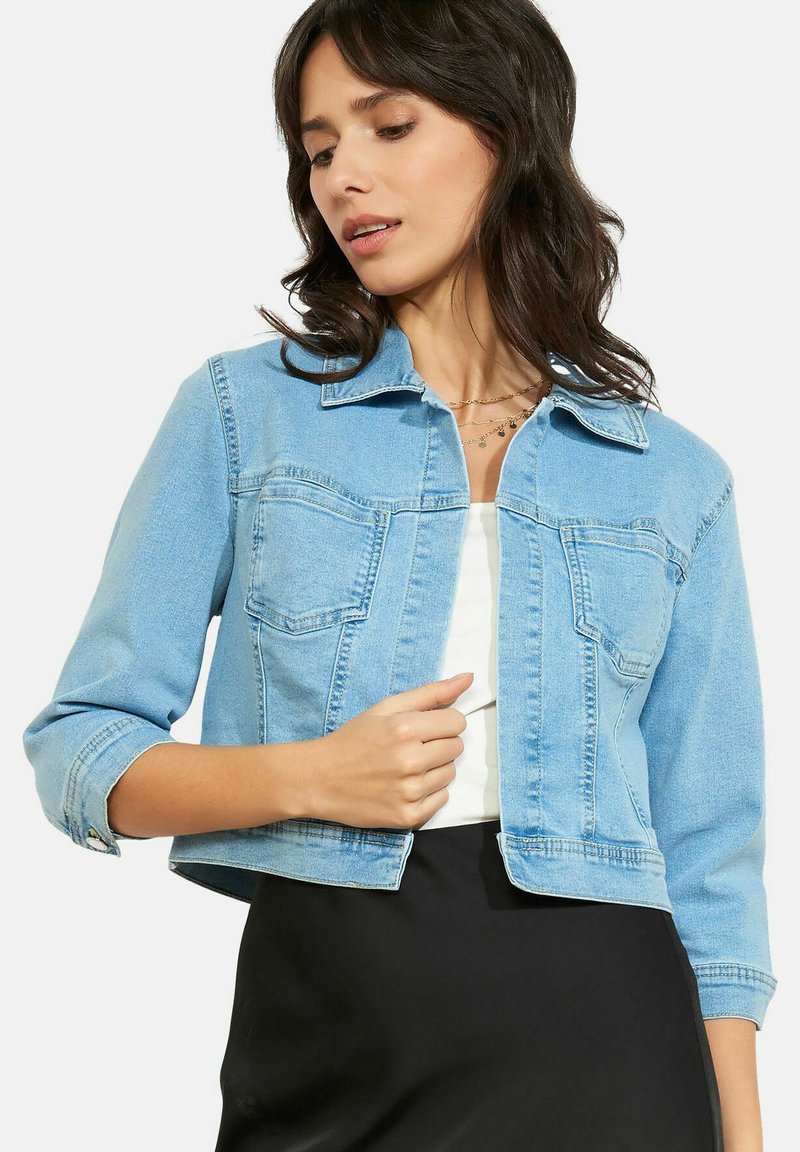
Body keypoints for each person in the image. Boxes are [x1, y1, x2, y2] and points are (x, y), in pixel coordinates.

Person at [22, 1, 778, 1149]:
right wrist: (310, 775)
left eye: (388, 127)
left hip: (607, 1038)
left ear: (505, 134)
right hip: (330, 1027)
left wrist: (743, 1136)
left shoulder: (671, 479)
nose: (343, 177)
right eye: (318, 147)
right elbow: (81, 748)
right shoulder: (242, 414)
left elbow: (710, 855)